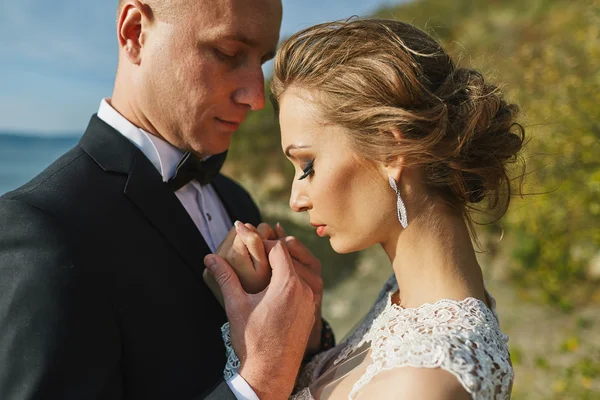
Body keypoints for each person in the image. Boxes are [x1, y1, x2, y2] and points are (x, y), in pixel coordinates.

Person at [0, 0, 330, 399]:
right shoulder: (43, 228)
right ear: (135, 32)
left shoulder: (236, 200)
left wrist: (306, 335)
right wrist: (259, 383)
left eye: (261, 61)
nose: (255, 97)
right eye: (228, 53)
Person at [207, 19, 523, 399]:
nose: (296, 200)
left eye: (307, 165)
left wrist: (255, 358)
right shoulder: (403, 300)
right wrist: (299, 337)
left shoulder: (421, 385)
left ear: (392, 151)